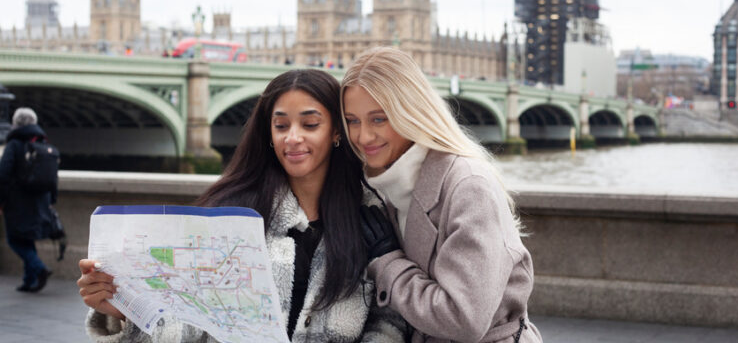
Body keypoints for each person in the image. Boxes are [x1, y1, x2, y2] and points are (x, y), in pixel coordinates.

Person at [77, 69, 406, 342]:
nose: (292, 137)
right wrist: (125, 313)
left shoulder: (370, 218)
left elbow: (388, 321)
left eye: (309, 124)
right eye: (280, 126)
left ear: (336, 131)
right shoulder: (230, 217)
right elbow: (191, 323)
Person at [341, 47, 543, 343]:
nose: (363, 136)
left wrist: (388, 263)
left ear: (410, 110)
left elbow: (464, 319)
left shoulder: (468, 185)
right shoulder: (383, 185)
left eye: (378, 119)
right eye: (352, 120)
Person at [0, 107, 56, 293]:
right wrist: (52, 199)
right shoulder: (43, 142)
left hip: (18, 200)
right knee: (26, 239)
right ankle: (29, 280)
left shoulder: (14, 144)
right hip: (40, 199)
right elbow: (53, 176)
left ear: (15, 123)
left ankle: (40, 268)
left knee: (14, 239)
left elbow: (2, 174)